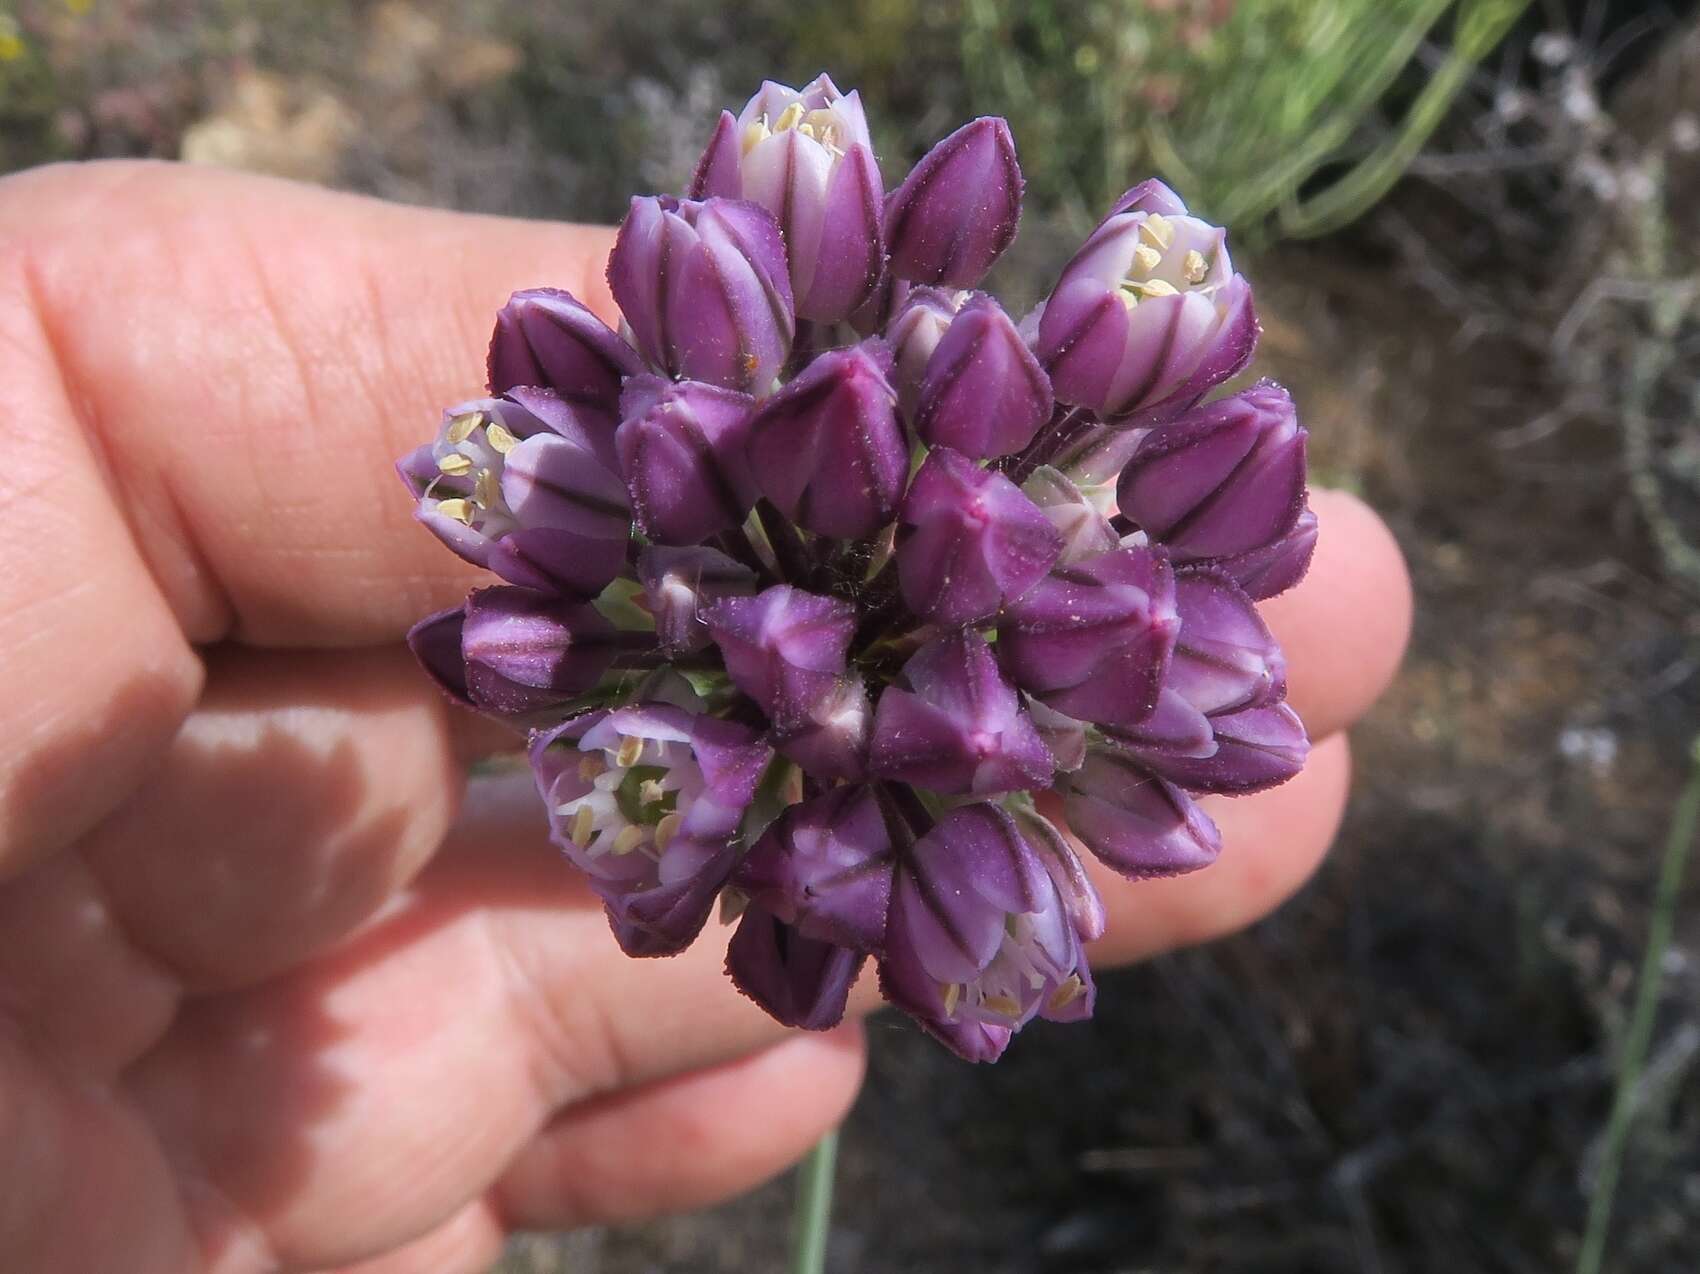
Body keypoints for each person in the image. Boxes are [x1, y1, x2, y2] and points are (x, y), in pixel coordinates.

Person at [0, 160, 1412, 1274]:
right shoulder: (747, 469)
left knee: (963, 667)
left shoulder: (962, 606)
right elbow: (634, 579)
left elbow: (960, 661)